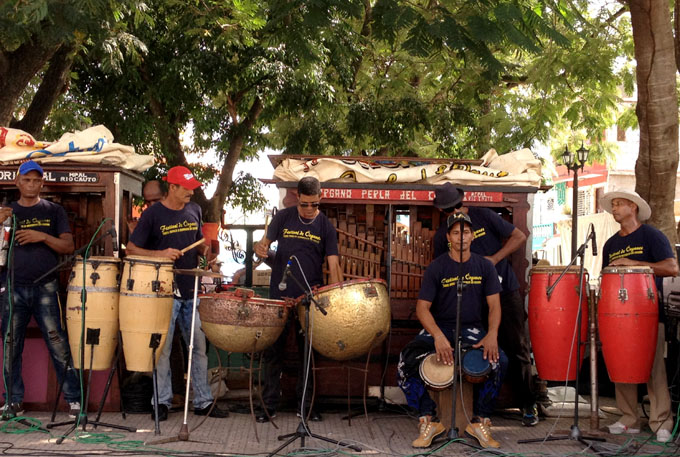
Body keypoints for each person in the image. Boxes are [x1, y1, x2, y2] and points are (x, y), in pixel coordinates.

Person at [397, 212, 508, 449]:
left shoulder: (484, 267)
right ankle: (428, 418)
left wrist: (492, 334)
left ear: (472, 236)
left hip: (473, 331)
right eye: (456, 233)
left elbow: (495, 306)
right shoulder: (437, 268)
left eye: (465, 232)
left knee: (501, 361)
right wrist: (437, 335)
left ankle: (480, 420)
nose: (461, 237)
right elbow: (422, 308)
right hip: (442, 329)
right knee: (404, 364)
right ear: (449, 237)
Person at [127, 165, 228, 422]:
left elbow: (197, 241)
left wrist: (204, 249)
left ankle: (203, 401)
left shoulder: (194, 210)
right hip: (162, 292)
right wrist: (161, 254)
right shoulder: (153, 215)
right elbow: (131, 249)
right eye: (186, 189)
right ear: (172, 187)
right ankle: (160, 401)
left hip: (189, 289)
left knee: (198, 347)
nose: (191, 194)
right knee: (162, 349)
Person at [432, 183, 538, 425]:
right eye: (450, 211)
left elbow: (520, 236)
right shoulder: (443, 235)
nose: (456, 213)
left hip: (503, 291)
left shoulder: (484, 216)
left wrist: (494, 259)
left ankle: (527, 405)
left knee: (517, 347)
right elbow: (441, 268)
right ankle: (481, 408)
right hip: (471, 297)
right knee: (478, 351)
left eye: (457, 207)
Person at [254, 176, 343, 423]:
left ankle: (306, 407)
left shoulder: (325, 226)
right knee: (274, 353)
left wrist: (337, 296)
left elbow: (334, 264)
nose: (309, 209)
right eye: (305, 204)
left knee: (308, 354)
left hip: (309, 298)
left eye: (315, 204)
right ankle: (269, 405)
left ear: (320, 198)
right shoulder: (283, 217)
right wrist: (259, 249)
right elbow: (263, 245)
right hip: (280, 296)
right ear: (297, 198)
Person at [0, 161, 81, 418]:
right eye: (27, 180)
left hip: (46, 286)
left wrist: (41, 236)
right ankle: (12, 401)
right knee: (10, 345)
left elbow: (68, 247)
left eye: (36, 180)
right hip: (12, 286)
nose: (32, 184)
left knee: (58, 344)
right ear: (17, 182)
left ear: (42, 184)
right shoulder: (7, 211)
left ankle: (74, 400)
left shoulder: (53, 211)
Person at [600, 189, 678, 443]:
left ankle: (661, 420)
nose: (614, 208)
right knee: (621, 363)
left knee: (654, 368)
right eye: (613, 205)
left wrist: (634, 264)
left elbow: (672, 267)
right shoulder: (610, 244)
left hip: (648, 313)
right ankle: (628, 418)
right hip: (617, 316)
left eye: (619, 204)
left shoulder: (652, 236)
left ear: (633, 207)